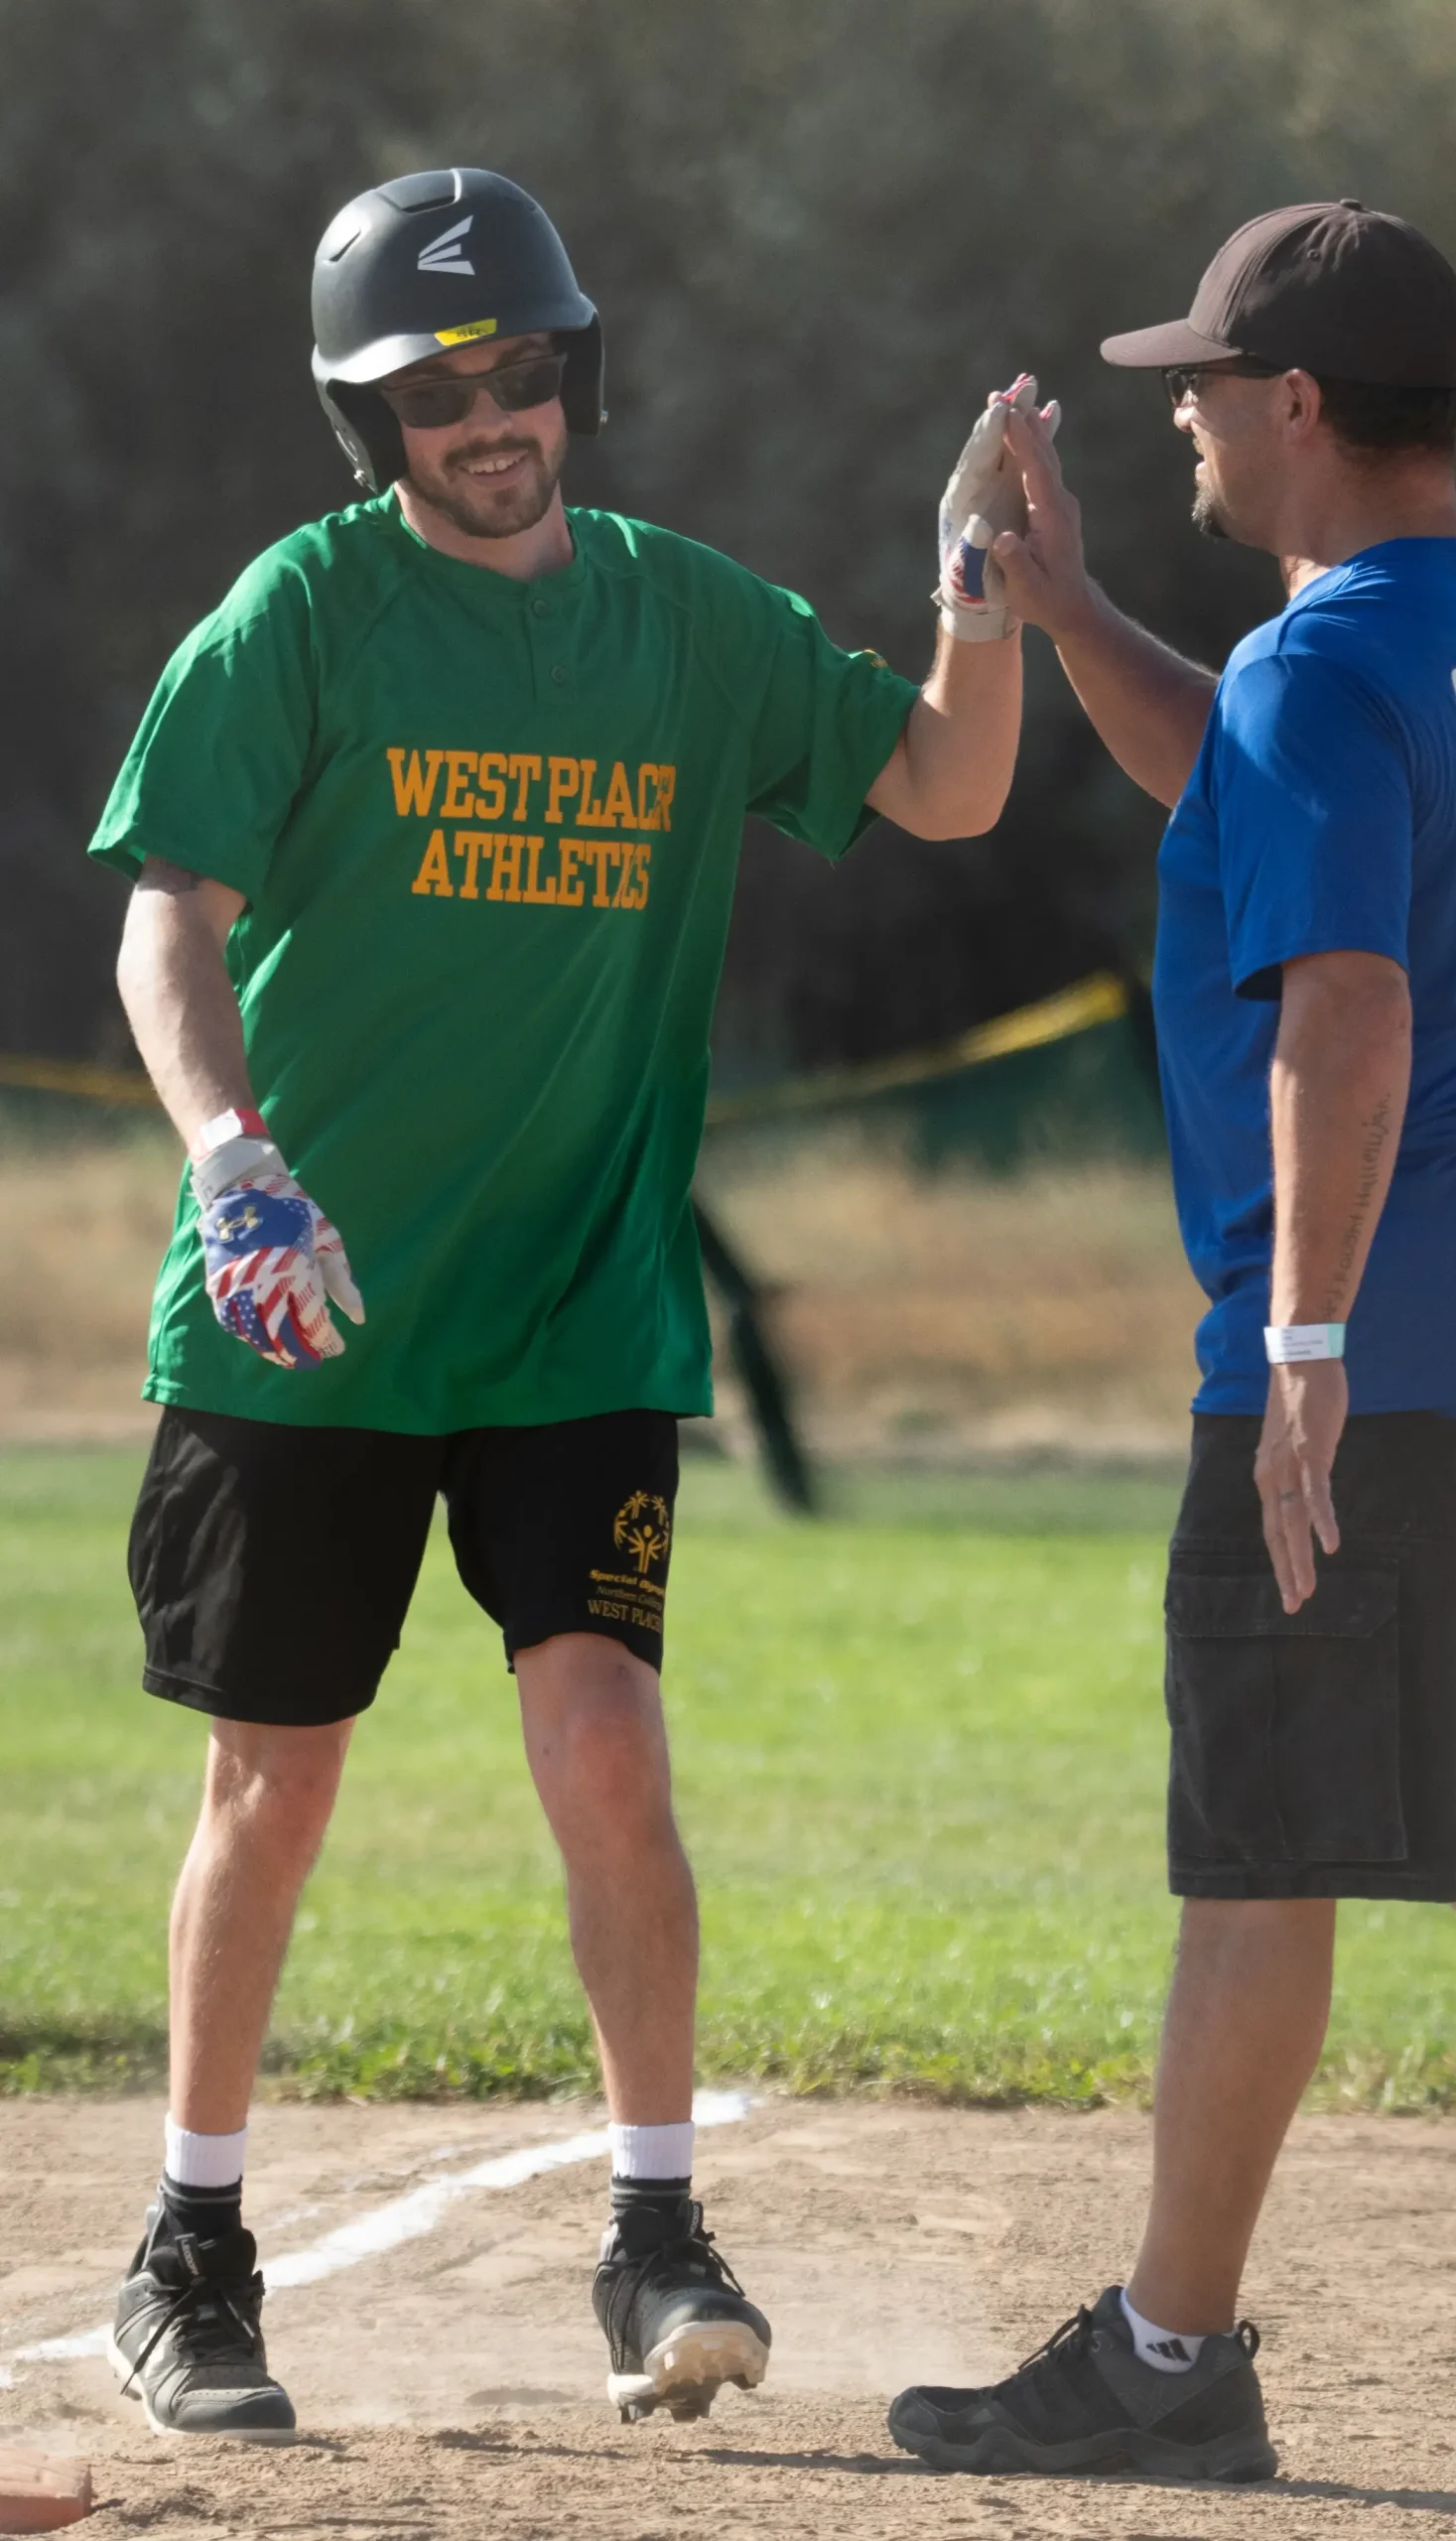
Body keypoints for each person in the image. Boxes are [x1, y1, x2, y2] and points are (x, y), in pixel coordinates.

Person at [89, 166, 1033, 2441]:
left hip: (573, 1312)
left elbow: (943, 781)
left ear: (572, 375)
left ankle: (655, 2227)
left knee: (603, 1730)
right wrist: (234, 1160)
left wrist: (975, 587)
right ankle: (190, 2244)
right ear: (369, 416)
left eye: (515, 369)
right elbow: (165, 922)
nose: (483, 415)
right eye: (430, 387)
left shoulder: (689, 624)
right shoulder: (299, 615)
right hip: (304, 1306)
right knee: (275, 1778)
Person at [887, 200, 1456, 2494]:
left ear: (1296, 405)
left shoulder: (1324, 664)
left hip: (1386, 1353)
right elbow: (1273, 798)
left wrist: (1306, 1333)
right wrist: (1071, 606)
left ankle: (1174, 2354)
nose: (1184, 406)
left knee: (1265, 1857)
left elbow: (1351, 1007)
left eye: (1205, 374)